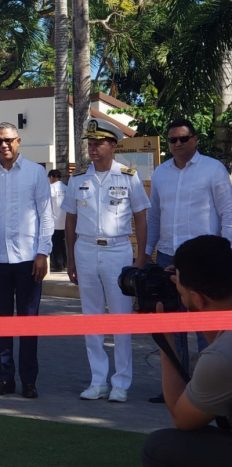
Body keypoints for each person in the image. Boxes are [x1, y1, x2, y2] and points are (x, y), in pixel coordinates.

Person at [63, 118, 150, 403]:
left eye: (98, 143)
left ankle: (121, 382)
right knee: (91, 318)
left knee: (121, 319)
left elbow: (140, 217)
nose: (93, 148)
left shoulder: (128, 176)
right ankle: (98, 380)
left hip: (117, 251)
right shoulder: (78, 180)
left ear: (113, 145)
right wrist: (70, 260)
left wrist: (140, 258)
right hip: (85, 249)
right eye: (90, 143)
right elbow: (70, 221)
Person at [0, 122, 53, 399]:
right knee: (1, 322)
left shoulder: (36, 172)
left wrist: (43, 252)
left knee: (28, 322)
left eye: (8, 140)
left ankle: (29, 380)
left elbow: (46, 216)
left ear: (18, 141)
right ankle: (5, 379)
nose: (3, 146)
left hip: (29, 258)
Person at [146, 118, 232, 398]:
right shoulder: (160, 174)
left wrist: (225, 251)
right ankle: (176, 386)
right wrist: (147, 251)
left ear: (195, 139)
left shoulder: (213, 170)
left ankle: (209, 387)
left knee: (204, 325)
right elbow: (155, 215)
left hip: (202, 259)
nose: (178, 144)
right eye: (173, 140)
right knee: (171, 324)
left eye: (184, 138)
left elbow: (228, 212)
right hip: (167, 255)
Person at [141, 235, 232, 467]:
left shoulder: (220, 358)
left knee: (161, 447)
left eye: (181, 293)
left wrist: (166, 340)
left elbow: (182, 418)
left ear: (198, 299)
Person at [48, 169, 68, 272]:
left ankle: (58, 264)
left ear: (51, 177)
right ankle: (65, 263)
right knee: (64, 244)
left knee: (55, 245)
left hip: (54, 222)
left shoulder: (50, 188)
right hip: (66, 222)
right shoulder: (66, 188)